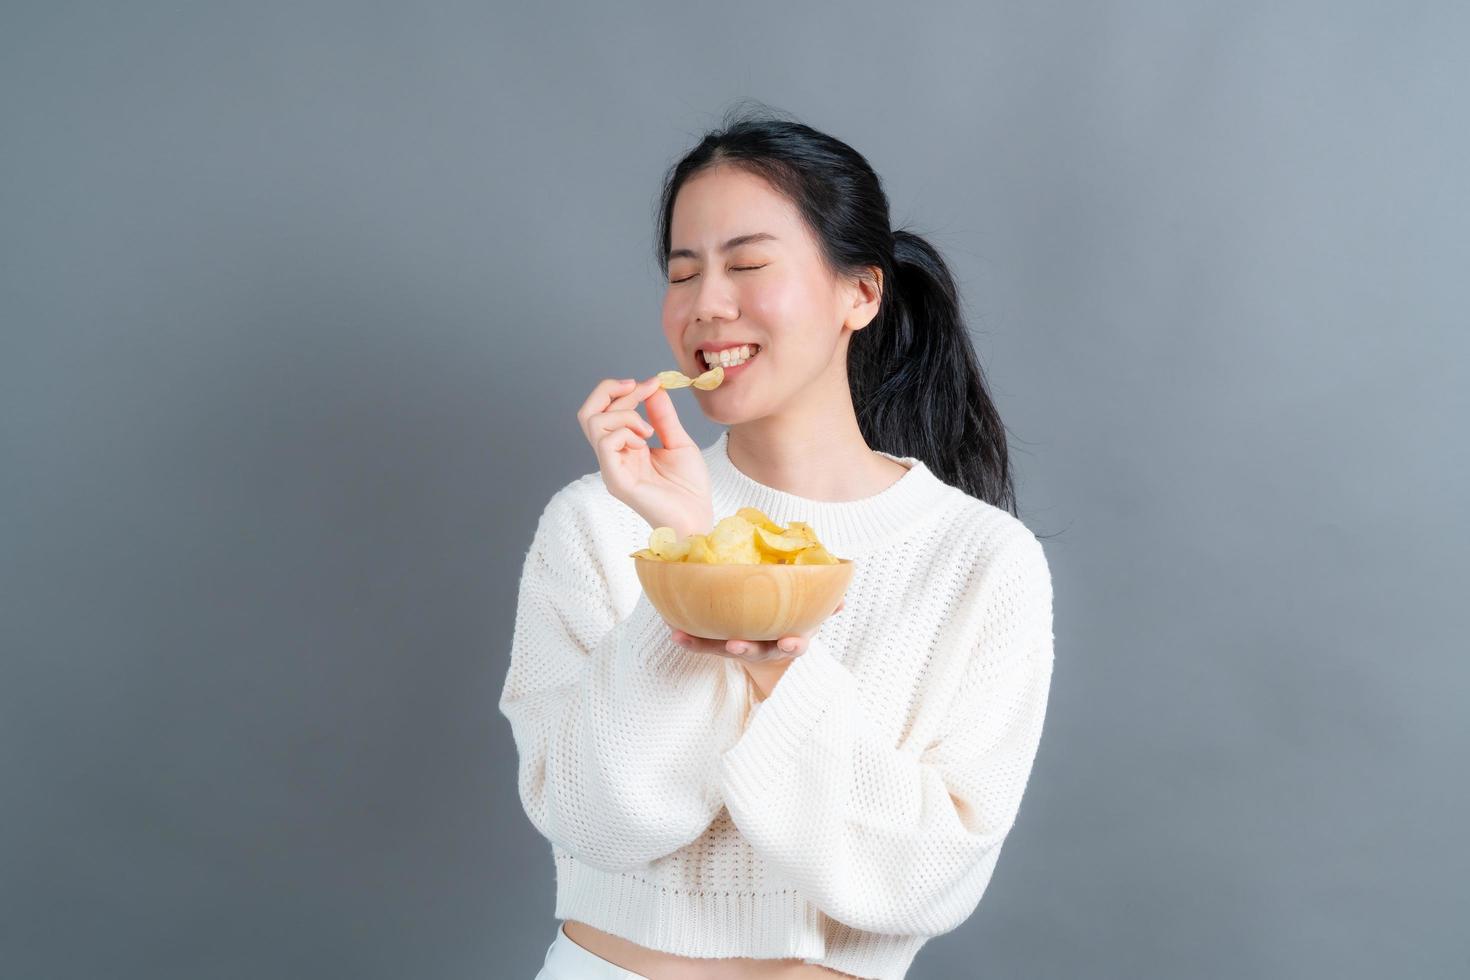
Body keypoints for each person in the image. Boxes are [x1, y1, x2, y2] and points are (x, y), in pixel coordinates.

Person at [500, 104, 1056, 980]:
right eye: (681, 274)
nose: (707, 306)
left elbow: (921, 881)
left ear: (860, 293)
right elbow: (599, 818)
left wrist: (770, 652)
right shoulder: (603, 523)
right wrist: (690, 545)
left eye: (748, 264)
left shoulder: (980, 559)